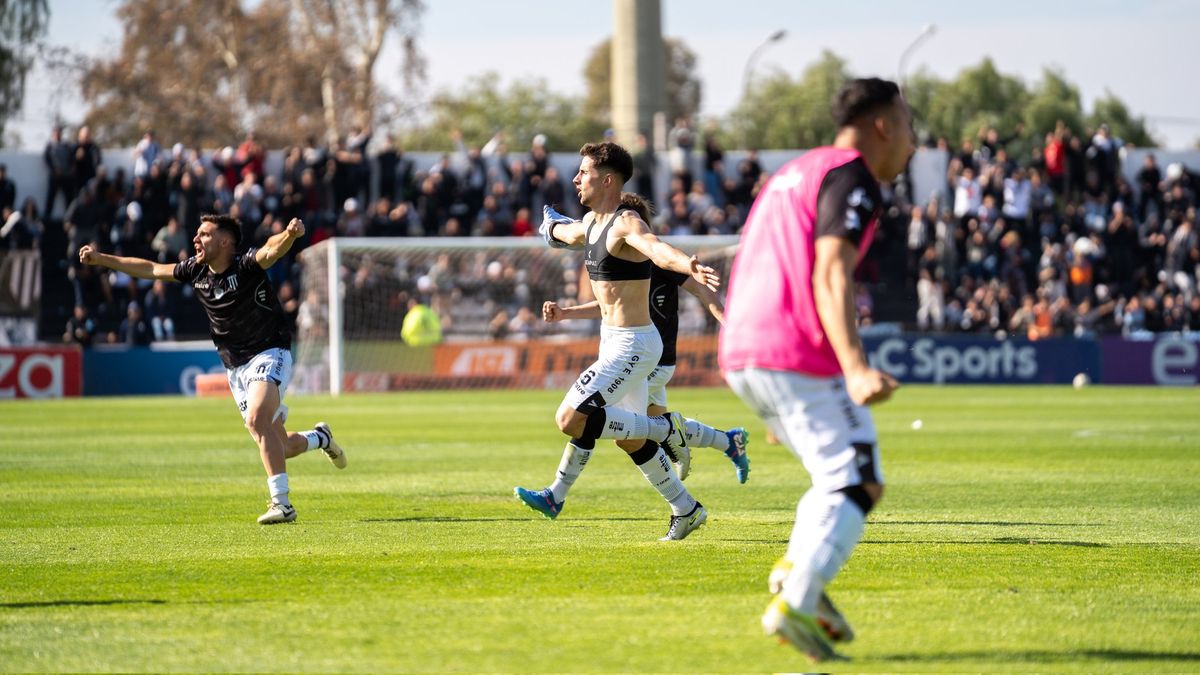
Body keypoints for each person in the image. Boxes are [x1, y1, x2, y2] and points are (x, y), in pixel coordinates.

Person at [719, 77, 913, 662]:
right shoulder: (851, 176)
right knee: (855, 479)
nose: (910, 142)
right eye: (908, 127)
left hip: (744, 346)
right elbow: (831, 271)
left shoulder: (790, 174)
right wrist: (854, 367)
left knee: (837, 474)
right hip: (791, 347)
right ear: (883, 125)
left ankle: (796, 578)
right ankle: (798, 598)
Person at [78, 214, 348, 525]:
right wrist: (102, 259)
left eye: (204, 234)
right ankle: (321, 438)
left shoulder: (246, 265)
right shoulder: (195, 269)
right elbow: (151, 269)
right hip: (235, 368)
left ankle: (282, 504)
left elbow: (271, 251)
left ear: (224, 242)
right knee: (279, 445)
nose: (196, 240)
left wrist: (288, 234)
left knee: (257, 418)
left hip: (269, 351)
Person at [513, 141, 720, 541]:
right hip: (613, 342)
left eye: (584, 172)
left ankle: (666, 429)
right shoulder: (591, 223)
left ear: (607, 180)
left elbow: (656, 249)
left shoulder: (626, 223)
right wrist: (550, 226)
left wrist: (687, 262)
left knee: (570, 418)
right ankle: (686, 507)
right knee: (629, 438)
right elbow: (564, 232)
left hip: (635, 345)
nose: (576, 178)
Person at [542, 192, 750, 484]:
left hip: (651, 357)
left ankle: (557, 492)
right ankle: (728, 442)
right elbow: (607, 306)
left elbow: (704, 290)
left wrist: (733, 327)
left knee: (597, 419)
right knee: (643, 427)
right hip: (642, 354)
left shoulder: (658, 258)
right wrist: (566, 313)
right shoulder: (621, 260)